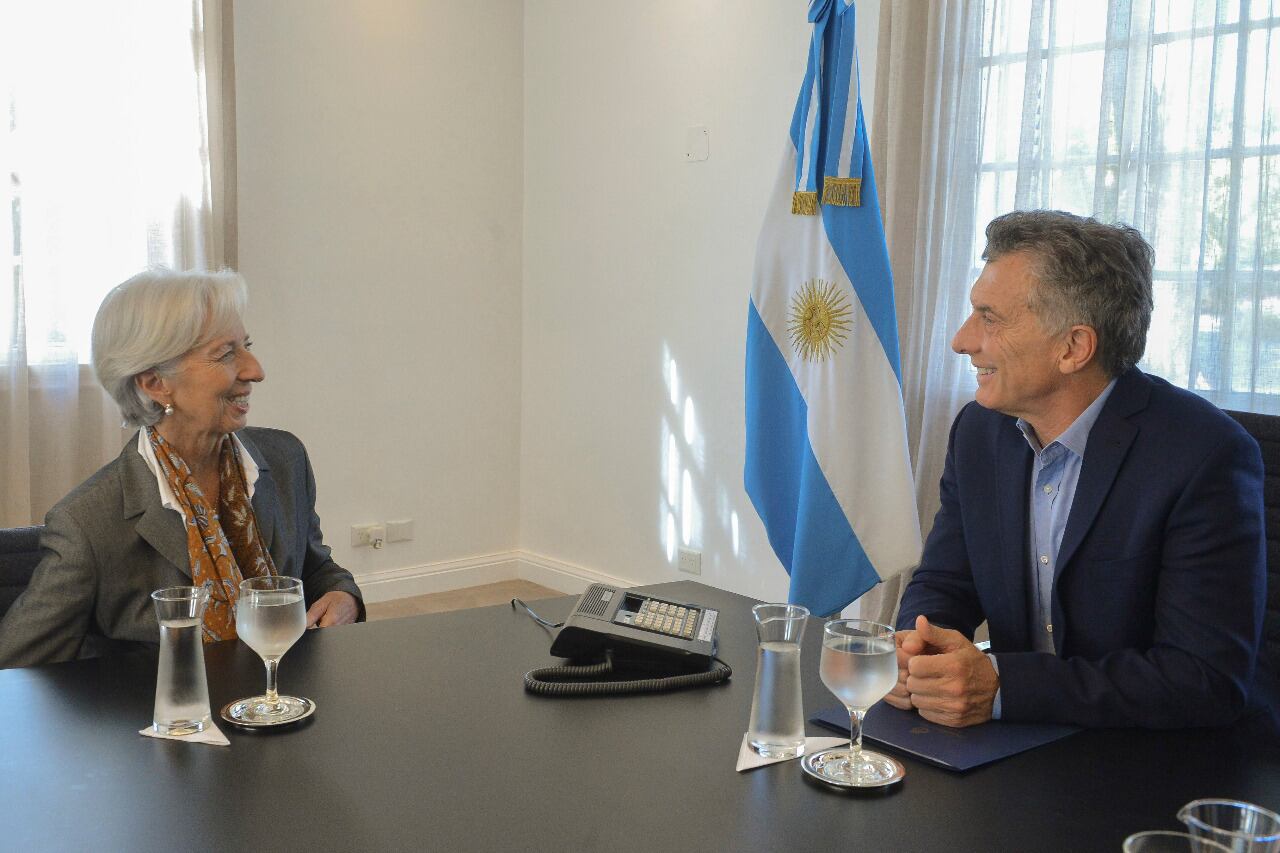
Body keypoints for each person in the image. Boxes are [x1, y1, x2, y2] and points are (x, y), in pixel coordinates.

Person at [887, 210, 1268, 729]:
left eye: (989, 318)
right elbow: (945, 581)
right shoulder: (980, 430)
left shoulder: (1204, 455)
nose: (962, 340)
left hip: (1144, 768)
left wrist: (1002, 688)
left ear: (1073, 347)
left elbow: (1202, 679)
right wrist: (918, 648)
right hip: (1011, 753)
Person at [0, 270, 363, 669]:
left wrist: (343, 596)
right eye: (226, 354)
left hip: (285, 707)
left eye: (247, 345)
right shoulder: (88, 522)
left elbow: (315, 570)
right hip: (175, 725)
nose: (255, 369)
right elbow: (17, 669)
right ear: (155, 383)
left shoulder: (284, 457)